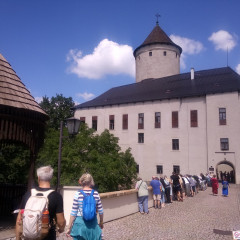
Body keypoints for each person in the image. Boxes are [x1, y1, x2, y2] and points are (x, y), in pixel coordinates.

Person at [16, 166, 66, 240]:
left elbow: (19, 219)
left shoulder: (29, 194)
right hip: (47, 236)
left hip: (28, 236)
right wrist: (61, 229)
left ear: (38, 177)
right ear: (51, 177)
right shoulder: (56, 196)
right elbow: (61, 222)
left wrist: (18, 237)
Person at [67, 173, 104, 240]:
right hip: (93, 224)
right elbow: (101, 211)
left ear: (81, 182)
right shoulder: (96, 193)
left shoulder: (78, 194)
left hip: (80, 224)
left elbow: (73, 212)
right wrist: (101, 222)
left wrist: (69, 227)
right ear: (91, 181)